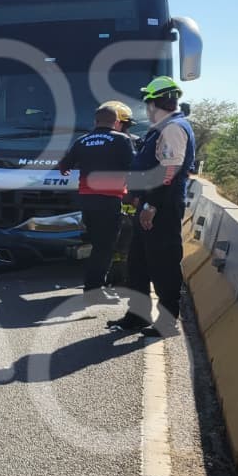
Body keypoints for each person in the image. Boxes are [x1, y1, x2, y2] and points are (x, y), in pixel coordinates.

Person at [110, 77, 196, 335]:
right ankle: (137, 316)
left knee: (163, 266)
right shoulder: (162, 127)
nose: (147, 107)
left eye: (148, 101)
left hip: (162, 208)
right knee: (138, 264)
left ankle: (167, 322)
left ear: (156, 101)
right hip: (149, 204)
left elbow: (168, 171)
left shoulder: (172, 128)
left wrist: (151, 205)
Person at [56, 101, 137, 291]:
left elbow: (64, 166)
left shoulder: (82, 140)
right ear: (116, 121)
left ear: (95, 121)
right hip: (109, 200)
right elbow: (134, 167)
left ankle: (95, 282)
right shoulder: (121, 140)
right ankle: (93, 287)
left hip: (86, 201)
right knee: (105, 247)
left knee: (98, 243)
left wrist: (67, 170)